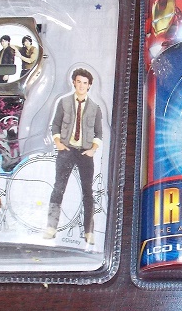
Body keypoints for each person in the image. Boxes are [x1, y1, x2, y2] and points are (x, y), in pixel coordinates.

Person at [43, 68, 103, 245]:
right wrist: (58, 143)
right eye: (79, 82)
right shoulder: (64, 102)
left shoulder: (95, 108)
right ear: (74, 83)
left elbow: (99, 133)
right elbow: (55, 125)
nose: (82, 86)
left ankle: (89, 231)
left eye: (85, 83)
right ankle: (51, 227)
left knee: (88, 191)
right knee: (58, 187)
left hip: (85, 153)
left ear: (89, 85)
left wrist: (92, 150)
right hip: (67, 150)